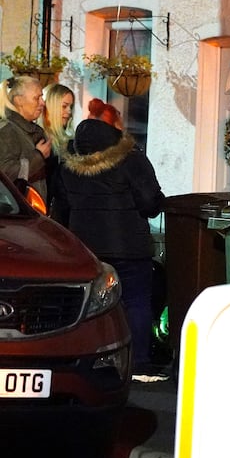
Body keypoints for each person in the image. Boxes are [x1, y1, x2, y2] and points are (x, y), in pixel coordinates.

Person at [60, 98, 165, 375]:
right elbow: (150, 203)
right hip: (128, 245)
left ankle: (89, 363)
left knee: (91, 307)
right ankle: (139, 364)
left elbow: (61, 204)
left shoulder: (68, 163)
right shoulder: (131, 158)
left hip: (85, 248)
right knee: (136, 301)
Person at [0, 74, 51, 206]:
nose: (42, 103)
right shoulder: (6, 131)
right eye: (37, 98)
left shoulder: (35, 130)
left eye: (42, 97)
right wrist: (38, 156)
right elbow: (5, 174)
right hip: (16, 217)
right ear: (19, 100)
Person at [42, 83, 76, 220]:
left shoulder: (66, 140)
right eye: (64, 106)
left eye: (70, 107)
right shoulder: (41, 139)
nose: (69, 111)